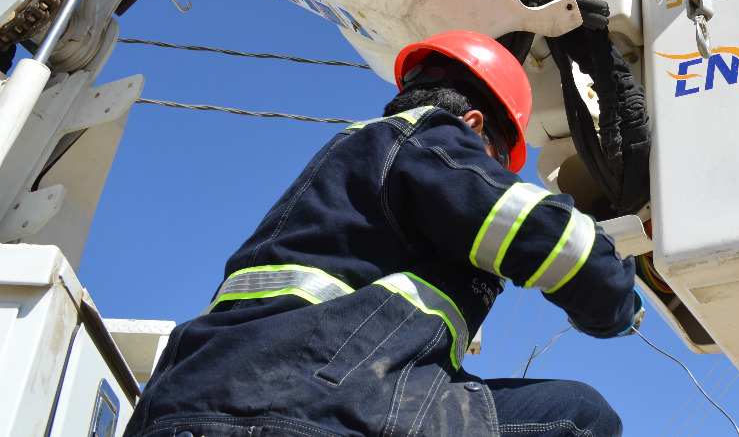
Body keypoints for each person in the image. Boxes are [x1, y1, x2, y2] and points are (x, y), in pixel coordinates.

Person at [124, 30, 642, 437]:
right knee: (580, 418)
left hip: (182, 407)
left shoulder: (345, 181)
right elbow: (549, 236)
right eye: (499, 163)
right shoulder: (422, 139)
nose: (495, 176)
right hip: (306, 406)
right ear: (475, 127)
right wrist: (615, 303)